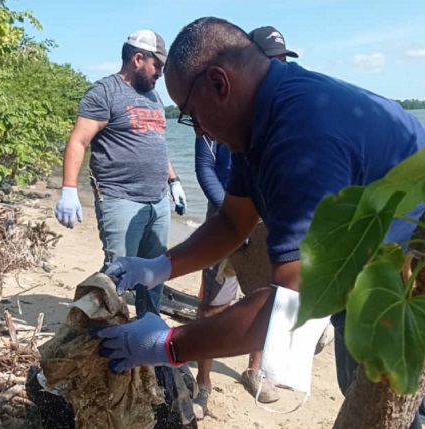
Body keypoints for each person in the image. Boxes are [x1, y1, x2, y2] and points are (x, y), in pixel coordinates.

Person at [92, 18, 425, 428]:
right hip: (359, 277)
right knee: (354, 391)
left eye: (192, 114)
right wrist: (159, 266)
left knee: (385, 414)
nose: (197, 129)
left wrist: (170, 344)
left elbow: (292, 303)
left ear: (219, 82)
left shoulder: (300, 138)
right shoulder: (259, 120)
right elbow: (234, 221)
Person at [191, 25, 299, 419]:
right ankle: (202, 382)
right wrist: (235, 215)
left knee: (264, 297)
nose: (280, 68)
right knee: (213, 304)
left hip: (267, 225)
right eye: (274, 61)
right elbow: (205, 170)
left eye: (284, 61)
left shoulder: (283, 115)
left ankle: (255, 371)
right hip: (224, 220)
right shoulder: (218, 106)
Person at [54, 30, 187, 317]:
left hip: (157, 201)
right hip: (120, 198)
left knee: (155, 273)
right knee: (119, 272)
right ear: (138, 58)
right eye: (158, 66)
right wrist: (68, 189)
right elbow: (78, 141)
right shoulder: (104, 92)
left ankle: (147, 330)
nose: (160, 74)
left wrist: (173, 180)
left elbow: (157, 143)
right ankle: (105, 334)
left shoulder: (153, 97)